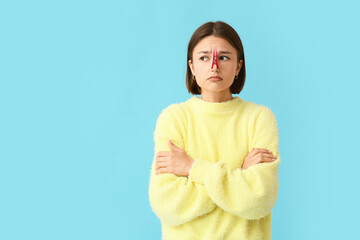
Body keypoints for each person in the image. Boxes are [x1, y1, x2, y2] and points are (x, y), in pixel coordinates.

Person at [148, 21, 281, 240]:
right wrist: (239, 176)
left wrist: (193, 168)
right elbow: (167, 204)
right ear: (191, 67)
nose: (214, 66)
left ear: (238, 66)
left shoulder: (259, 118)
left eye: (224, 57)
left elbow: (259, 200)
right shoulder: (174, 118)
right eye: (204, 57)